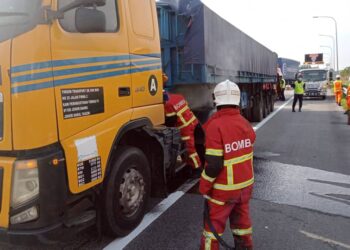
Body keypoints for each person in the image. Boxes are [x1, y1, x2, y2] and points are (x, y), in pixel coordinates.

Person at [199, 80, 256, 250]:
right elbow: (249, 142)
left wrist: (204, 186)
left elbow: (214, 165)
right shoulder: (245, 122)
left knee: (212, 231)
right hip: (245, 187)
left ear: (216, 101)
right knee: (242, 225)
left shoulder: (214, 126)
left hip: (224, 190)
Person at [163, 74, 202, 171]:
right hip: (194, 122)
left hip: (185, 128)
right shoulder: (178, 97)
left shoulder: (167, 105)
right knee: (194, 147)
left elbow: (170, 122)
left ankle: (197, 169)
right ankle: (194, 164)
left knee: (190, 150)